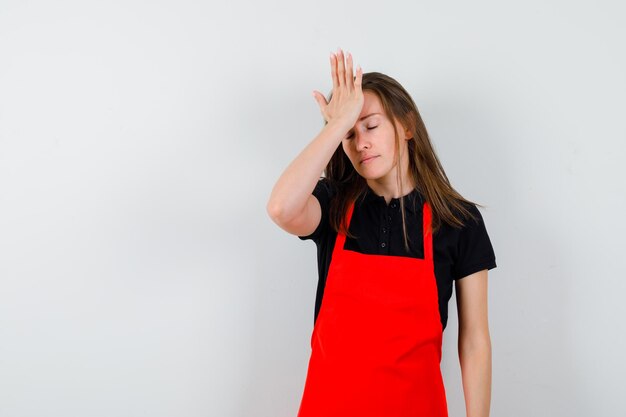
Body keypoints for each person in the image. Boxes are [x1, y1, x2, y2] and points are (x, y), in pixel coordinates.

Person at [266, 48, 497, 417]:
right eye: (349, 134)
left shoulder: (458, 221)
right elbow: (281, 208)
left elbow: (474, 342)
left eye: (370, 126)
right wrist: (334, 126)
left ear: (406, 126)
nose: (361, 143)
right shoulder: (333, 206)